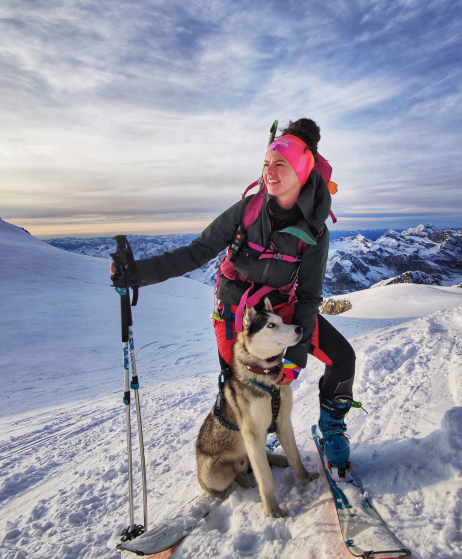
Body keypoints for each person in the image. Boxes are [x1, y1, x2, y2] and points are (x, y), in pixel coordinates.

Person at [128, 118, 356, 469]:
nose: (270, 171)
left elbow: (309, 297)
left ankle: (333, 427)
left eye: (281, 163)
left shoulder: (314, 232)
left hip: (282, 312)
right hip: (235, 313)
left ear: (302, 171)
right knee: (243, 391)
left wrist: (294, 357)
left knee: (342, 358)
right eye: (267, 163)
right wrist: (137, 274)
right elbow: (196, 252)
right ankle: (250, 448)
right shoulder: (248, 210)